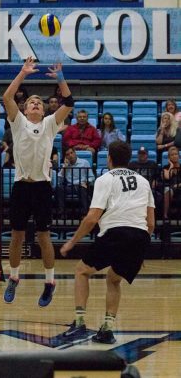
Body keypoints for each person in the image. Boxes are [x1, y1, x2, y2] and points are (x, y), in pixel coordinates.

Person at [60, 140, 155, 344]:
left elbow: (92, 217)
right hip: (139, 236)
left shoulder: (105, 179)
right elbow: (151, 222)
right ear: (128, 159)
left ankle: (79, 323)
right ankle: (107, 329)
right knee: (113, 278)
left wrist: (71, 242)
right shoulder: (143, 181)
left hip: (116, 232)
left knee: (81, 271)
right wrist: (141, 250)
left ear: (109, 158)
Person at [2, 57, 73, 307]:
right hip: (22, 186)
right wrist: (22, 72)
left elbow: (69, 102)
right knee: (17, 236)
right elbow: (7, 98)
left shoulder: (49, 124)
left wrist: (61, 79)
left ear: (43, 111)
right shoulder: (18, 122)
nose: (34, 104)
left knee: (44, 237)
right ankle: (13, 277)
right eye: (31, 102)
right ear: (24, 109)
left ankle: (50, 282)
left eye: (38, 103)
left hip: (42, 187)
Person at [57, 147, 95, 217]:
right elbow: (59, 181)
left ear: (75, 153)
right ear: (66, 157)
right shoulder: (65, 165)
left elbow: (92, 177)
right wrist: (64, 168)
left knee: (83, 189)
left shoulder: (84, 163)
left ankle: (85, 214)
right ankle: (62, 213)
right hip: (69, 187)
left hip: (81, 185)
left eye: (72, 153)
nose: (70, 155)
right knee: (60, 188)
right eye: (68, 154)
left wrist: (86, 182)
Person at [162, 146, 181, 220]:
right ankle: (165, 215)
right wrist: (171, 166)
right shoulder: (165, 168)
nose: (174, 156)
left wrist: (177, 185)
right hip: (170, 189)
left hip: (179, 188)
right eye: (172, 155)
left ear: (179, 156)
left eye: (176, 154)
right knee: (168, 190)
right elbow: (167, 177)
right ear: (169, 157)